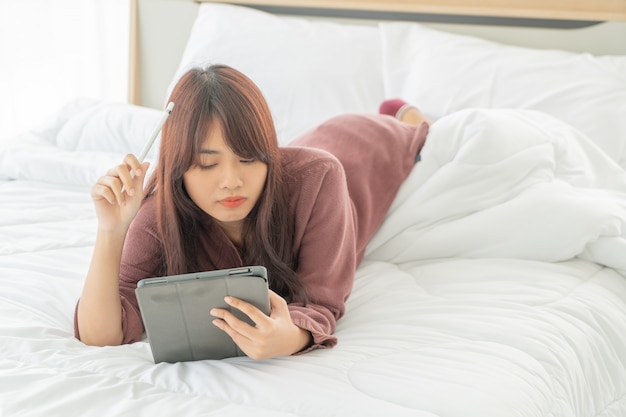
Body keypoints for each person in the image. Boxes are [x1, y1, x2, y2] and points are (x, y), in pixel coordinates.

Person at [74, 64, 429, 359]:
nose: (231, 181)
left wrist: (290, 338)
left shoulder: (320, 178)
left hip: (361, 147)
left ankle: (401, 112)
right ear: (177, 167)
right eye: (206, 163)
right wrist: (111, 231)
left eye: (248, 158)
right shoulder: (157, 214)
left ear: (267, 155)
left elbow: (322, 302)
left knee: (415, 130)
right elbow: (101, 333)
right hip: (304, 151)